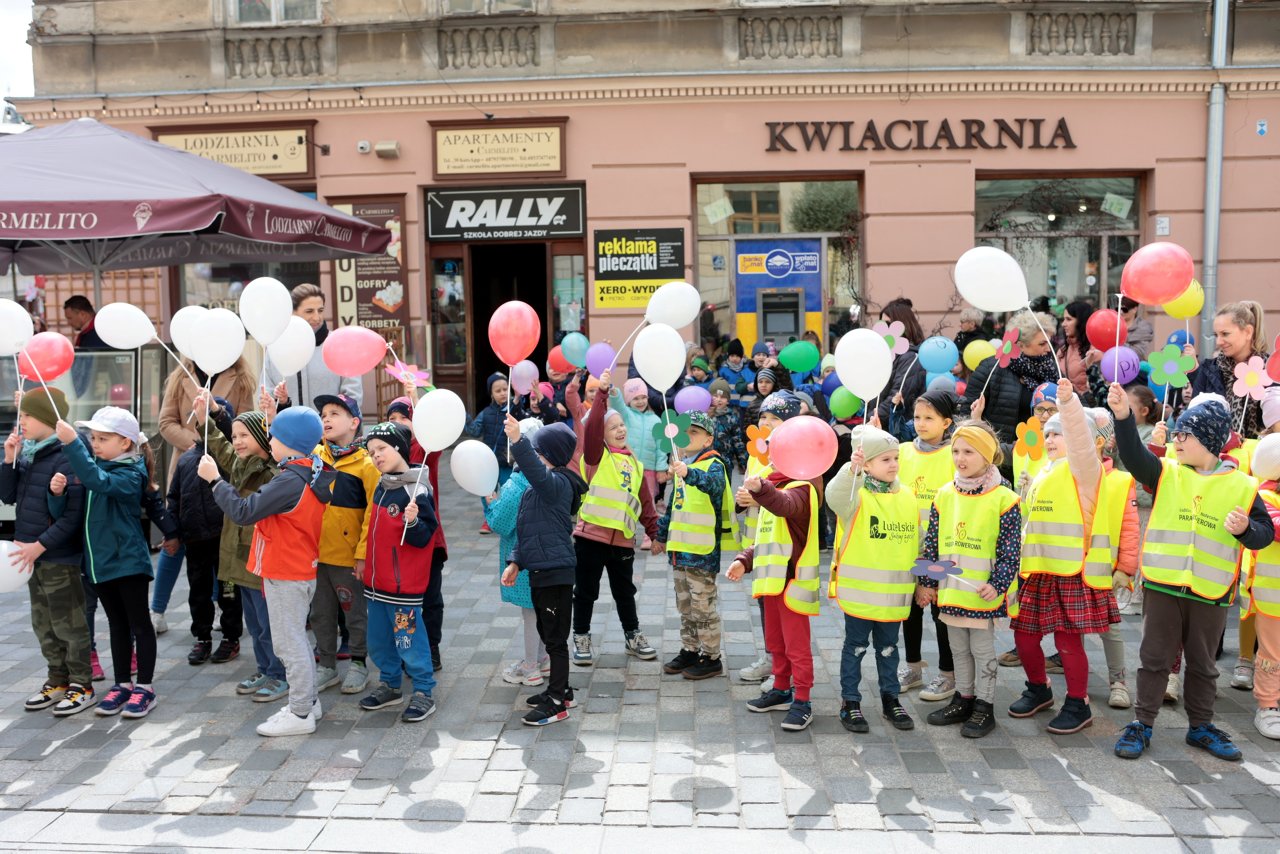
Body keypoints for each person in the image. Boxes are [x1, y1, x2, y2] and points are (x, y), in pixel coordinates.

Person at [1108, 388, 1273, 761]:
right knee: (1154, 659)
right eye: (1177, 433)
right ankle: (1142, 724)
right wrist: (1123, 417)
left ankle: (1200, 727)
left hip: (1210, 593)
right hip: (1164, 586)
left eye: (1186, 434)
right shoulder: (1166, 471)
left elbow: (1264, 534)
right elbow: (1132, 455)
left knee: (1203, 664)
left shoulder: (1243, 485)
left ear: (1209, 441)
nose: (1177, 439)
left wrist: (1246, 529)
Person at [1009, 383, 1137, 732]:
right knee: (1023, 636)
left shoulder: (1085, 470)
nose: (1050, 439)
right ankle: (1039, 688)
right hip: (1038, 571)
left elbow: (1080, 440)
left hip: (1071, 572)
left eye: (1058, 433)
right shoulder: (1045, 471)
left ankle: (1078, 703)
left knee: (1067, 642)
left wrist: (1068, 404)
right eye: (1047, 434)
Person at [201, 407, 335, 737]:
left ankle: (300, 712)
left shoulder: (290, 479)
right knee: (296, 641)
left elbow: (243, 511)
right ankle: (308, 702)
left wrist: (215, 481)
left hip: (286, 571)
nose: (270, 440)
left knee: (289, 645)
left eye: (274, 435)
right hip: (297, 568)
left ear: (289, 442)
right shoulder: (307, 470)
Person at [916, 421, 1021, 739]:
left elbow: (1010, 550)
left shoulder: (1005, 499)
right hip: (951, 591)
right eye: (956, 451)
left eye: (969, 452)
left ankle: (984, 706)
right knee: (958, 649)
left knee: (982, 651)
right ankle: (964, 699)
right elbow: (933, 543)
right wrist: (928, 582)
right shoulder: (944, 495)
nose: (960, 458)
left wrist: (998, 584)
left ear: (987, 456)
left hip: (982, 592)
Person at [53, 407, 159, 719]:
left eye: (103, 438)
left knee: (140, 624)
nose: (95, 444)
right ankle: (122, 683)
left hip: (128, 562)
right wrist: (56, 495)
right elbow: (70, 511)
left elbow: (99, 481)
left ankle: (146, 688)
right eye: (93, 438)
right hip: (99, 564)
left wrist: (73, 444)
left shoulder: (131, 473)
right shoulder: (94, 468)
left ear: (125, 443)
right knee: (117, 624)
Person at [726, 391, 822, 732]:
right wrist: (745, 559)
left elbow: (785, 506)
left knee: (797, 645)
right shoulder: (775, 480)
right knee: (777, 642)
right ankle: (781, 689)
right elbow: (767, 537)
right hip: (771, 580)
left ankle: (803, 699)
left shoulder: (804, 486)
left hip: (793, 582)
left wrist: (761, 490)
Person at [2, 388, 94, 716]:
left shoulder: (67, 452)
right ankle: (57, 679)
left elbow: (72, 515)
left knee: (69, 623)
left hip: (57, 555)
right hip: (31, 555)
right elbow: (8, 496)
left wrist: (40, 545)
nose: (22, 421)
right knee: (43, 623)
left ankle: (82, 684)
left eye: (28, 415)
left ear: (45, 418)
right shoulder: (30, 452)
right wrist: (9, 459)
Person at [193, 393, 287, 703]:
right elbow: (218, 445)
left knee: (269, 624)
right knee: (255, 624)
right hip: (240, 561)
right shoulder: (238, 464)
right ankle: (264, 668)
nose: (237, 441)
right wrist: (204, 419)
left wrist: (273, 417)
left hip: (262, 561)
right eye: (235, 436)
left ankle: (279, 673)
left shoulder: (272, 471)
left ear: (263, 436)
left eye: (245, 435)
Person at [152, 353, 256, 632]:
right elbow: (166, 422)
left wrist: (215, 441)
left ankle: (223, 611)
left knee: (220, 543)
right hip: (187, 465)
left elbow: (245, 422)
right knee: (175, 537)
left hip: (224, 466)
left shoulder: (241, 378)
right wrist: (197, 441)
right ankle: (158, 609)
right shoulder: (179, 376)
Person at [826, 424, 917, 733]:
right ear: (866, 465)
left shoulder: (907, 496)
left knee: (889, 648)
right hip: (861, 594)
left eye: (896, 458)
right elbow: (834, 496)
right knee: (855, 647)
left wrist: (924, 582)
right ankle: (850, 701)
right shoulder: (856, 496)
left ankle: (891, 698)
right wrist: (850, 471)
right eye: (885, 459)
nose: (893, 464)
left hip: (893, 595)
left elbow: (917, 539)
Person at [500, 418, 588, 726]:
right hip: (539, 572)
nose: (534, 460)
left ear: (549, 455)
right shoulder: (537, 491)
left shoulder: (557, 485)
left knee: (555, 641)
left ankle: (557, 702)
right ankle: (562, 690)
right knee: (549, 633)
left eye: (537, 453)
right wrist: (515, 562)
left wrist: (518, 441)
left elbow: (536, 472)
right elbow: (529, 532)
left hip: (556, 574)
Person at [572, 370, 662, 665]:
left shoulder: (635, 464)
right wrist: (601, 394)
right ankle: (581, 636)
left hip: (622, 540)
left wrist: (655, 533)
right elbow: (592, 425)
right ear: (601, 433)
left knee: (625, 592)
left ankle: (632, 635)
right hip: (590, 538)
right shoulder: (595, 456)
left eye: (622, 424)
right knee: (586, 591)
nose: (621, 429)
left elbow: (646, 503)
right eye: (613, 427)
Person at [357, 423, 440, 723]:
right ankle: (390, 684)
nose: (376, 456)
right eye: (371, 452)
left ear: (399, 448)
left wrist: (414, 522)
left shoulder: (416, 490)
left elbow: (425, 537)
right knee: (378, 640)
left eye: (382, 449)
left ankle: (423, 690)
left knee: (408, 640)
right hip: (377, 584)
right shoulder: (382, 485)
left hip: (402, 587)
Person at [308, 393, 380, 697]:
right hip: (315, 555)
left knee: (354, 611)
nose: (326, 418)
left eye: (334, 413)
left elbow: (372, 515)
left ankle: (359, 662)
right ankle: (326, 664)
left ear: (354, 422)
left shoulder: (366, 464)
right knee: (320, 613)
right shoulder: (314, 455)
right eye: (323, 414)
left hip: (348, 558)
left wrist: (362, 554)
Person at [657, 412, 735, 681]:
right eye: (685, 432)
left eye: (695, 432)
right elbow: (673, 506)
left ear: (708, 439)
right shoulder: (681, 465)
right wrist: (660, 536)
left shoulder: (714, 463)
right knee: (685, 606)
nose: (688, 436)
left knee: (703, 607)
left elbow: (714, 486)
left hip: (702, 552)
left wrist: (688, 473)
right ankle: (690, 649)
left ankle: (711, 656)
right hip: (680, 551)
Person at [896, 390, 959, 704]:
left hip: (940, 549)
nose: (921, 423)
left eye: (929, 418)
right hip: (908, 544)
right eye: (917, 417)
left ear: (946, 422)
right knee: (909, 610)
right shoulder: (903, 451)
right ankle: (912, 667)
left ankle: (948, 674)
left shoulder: (953, 455)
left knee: (940, 611)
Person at [168, 398, 241, 667]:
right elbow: (174, 498)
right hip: (195, 538)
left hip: (225, 538)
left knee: (229, 591)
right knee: (198, 591)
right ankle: (202, 637)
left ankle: (231, 637)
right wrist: (173, 533)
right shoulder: (186, 460)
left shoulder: (232, 457)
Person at [488, 417, 550, 687]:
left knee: (530, 613)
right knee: (541, 610)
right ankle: (544, 658)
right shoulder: (547, 477)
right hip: (546, 555)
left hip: (523, 559)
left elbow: (500, 522)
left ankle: (530, 666)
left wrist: (491, 503)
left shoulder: (516, 484)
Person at [388, 392, 448, 671]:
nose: (398, 422)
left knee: (431, 599)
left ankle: (431, 647)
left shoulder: (422, 451)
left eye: (405, 417)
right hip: (397, 541)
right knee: (403, 600)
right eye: (392, 418)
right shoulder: (382, 455)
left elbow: (431, 441)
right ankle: (408, 647)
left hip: (428, 540)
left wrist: (416, 400)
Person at [962, 310, 1059, 444]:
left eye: (1049, 343)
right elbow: (965, 413)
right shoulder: (991, 368)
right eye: (1042, 344)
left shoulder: (1051, 368)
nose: (1048, 349)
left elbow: (1076, 407)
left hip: (1043, 451)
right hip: (999, 451)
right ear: (1020, 345)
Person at [264, 283, 364, 411]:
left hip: (331, 424)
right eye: (309, 311)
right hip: (287, 424)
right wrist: (281, 405)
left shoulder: (341, 346)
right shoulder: (276, 348)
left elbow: (353, 396)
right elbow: (266, 395)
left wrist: (331, 419)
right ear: (293, 312)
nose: (317, 317)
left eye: (320, 310)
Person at [1186, 301, 1271, 439]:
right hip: (1216, 451)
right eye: (1216, 335)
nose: (1218, 341)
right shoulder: (1208, 370)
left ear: (1248, 332)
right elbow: (1195, 418)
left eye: (1225, 334)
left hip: (1260, 451)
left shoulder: (1270, 371)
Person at [1245, 435, 1280, 738]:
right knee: (1271, 652)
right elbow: (1275, 528)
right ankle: (1267, 705)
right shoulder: (1265, 496)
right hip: (1273, 594)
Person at [608, 379, 670, 543]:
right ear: (629, 400)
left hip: (648, 470)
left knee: (648, 502)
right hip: (627, 466)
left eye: (643, 397)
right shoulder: (626, 416)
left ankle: (650, 536)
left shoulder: (655, 420)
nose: (640, 401)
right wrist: (613, 392)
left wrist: (661, 468)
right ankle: (626, 533)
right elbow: (618, 404)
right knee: (627, 500)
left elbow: (661, 447)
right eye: (636, 398)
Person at [466, 372, 521, 534]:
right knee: (486, 490)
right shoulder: (486, 413)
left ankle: (506, 518)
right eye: (498, 390)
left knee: (508, 490)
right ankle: (490, 518)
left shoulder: (514, 409)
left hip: (507, 461)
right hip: (488, 462)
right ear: (491, 393)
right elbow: (474, 431)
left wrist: (518, 400)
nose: (503, 393)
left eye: (505, 389)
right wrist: (464, 416)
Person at [876, 298, 927, 426]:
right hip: (878, 426)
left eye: (888, 324)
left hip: (896, 430)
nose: (884, 329)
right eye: (881, 324)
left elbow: (897, 397)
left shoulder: (911, 357)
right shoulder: (886, 355)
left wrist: (869, 420)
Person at [1058, 301, 1103, 397]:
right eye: (1063, 319)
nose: (1063, 324)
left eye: (1068, 319)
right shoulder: (1063, 350)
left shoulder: (1095, 351)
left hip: (1087, 404)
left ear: (1081, 321)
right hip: (1066, 402)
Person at [708, 380, 747, 476]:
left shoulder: (732, 418)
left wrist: (743, 461)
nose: (719, 400)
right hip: (706, 459)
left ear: (728, 400)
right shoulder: (705, 416)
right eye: (715, 396)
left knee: (725, 483)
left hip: (725, 461)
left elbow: (737, 441)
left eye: (723, 397)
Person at [718, 339, 756, 409]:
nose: (735, 358)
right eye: (732, 356)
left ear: (741, 356)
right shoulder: (723, 371)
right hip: (728, 405)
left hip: (744, 406)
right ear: (728, 355)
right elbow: (719, 388)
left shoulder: (747, 369)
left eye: (737, 356)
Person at [1120, 297, 1155, 361]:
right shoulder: (1114, 325)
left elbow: (1138, 353)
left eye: (1124, 309)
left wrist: (1117, 342)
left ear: (1134, 309)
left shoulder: (1143, 328)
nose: (1121, 312)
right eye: (1118, 309)